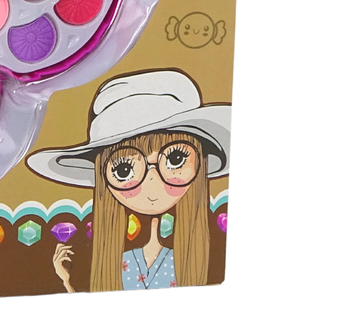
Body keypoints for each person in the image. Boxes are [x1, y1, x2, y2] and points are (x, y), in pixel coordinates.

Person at [26, 69, 230, 291]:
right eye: (124, 170)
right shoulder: (117, 262)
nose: (152, 185)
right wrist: (67, 281)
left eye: (175, 159)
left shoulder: (205, 261)